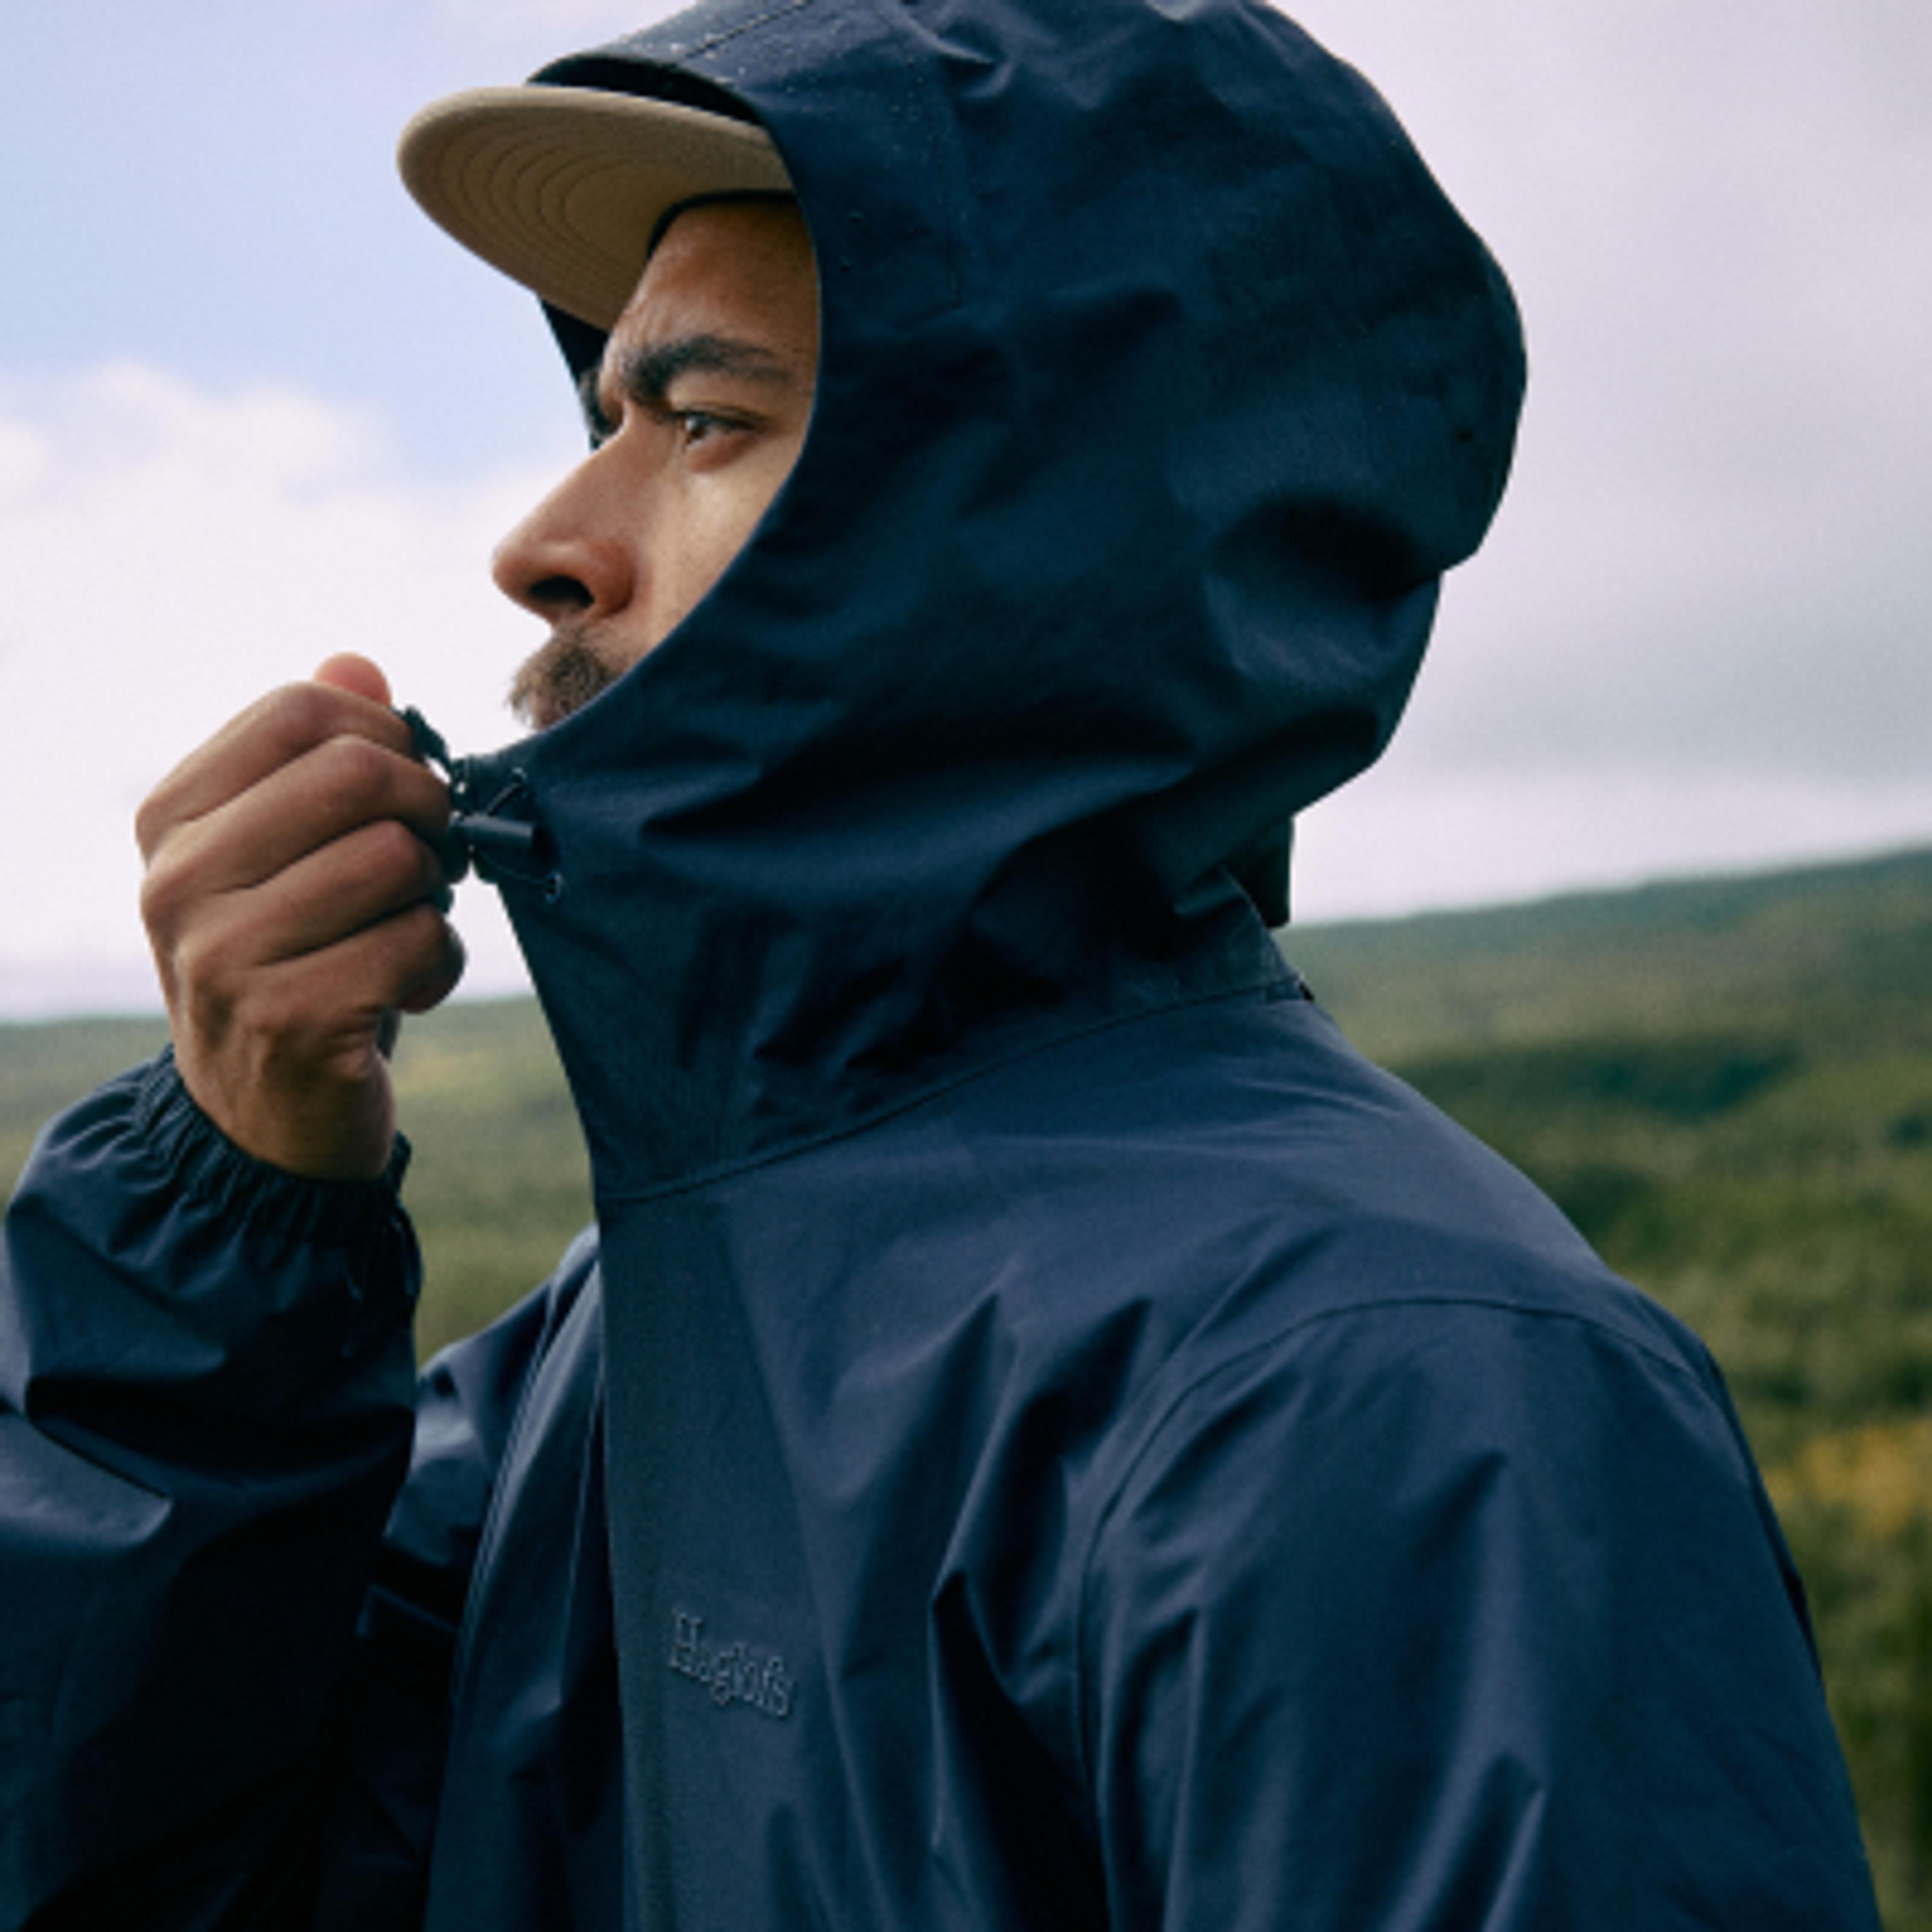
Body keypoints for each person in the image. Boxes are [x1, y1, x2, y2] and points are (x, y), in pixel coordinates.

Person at [0, 0, 1882, 1925]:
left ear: (1024, 521)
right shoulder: (632, 1324)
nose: (545, 541)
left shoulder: (1398, 1406)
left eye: (706, 421)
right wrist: (237, 1201)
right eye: (605, 421)